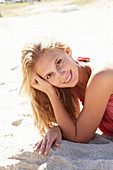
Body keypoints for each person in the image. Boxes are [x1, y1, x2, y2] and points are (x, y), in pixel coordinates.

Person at [20, 37, 113, 155]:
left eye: (58, 62)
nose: (61, 75)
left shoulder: (101, 76)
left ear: (67, 52)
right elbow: (75, 127)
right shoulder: (73, 84)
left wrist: (51, 93)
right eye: (49, 75)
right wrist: (57, 128)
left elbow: (80, 137)